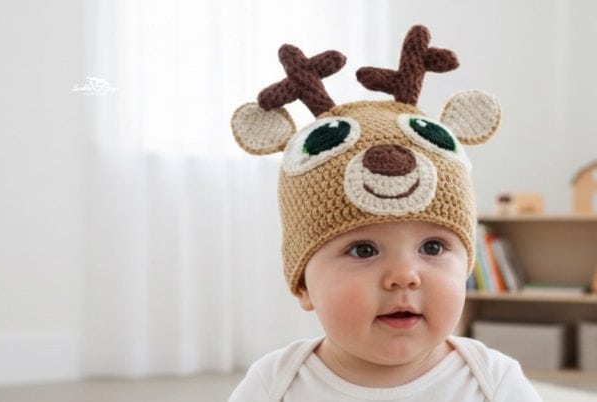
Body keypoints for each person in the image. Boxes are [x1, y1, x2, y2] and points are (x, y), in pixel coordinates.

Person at [228, 25, 542, 402]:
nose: (404, 276)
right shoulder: (275, 384)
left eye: (433, 247)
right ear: (303, 286)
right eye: (363, 250)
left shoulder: (493, 381)